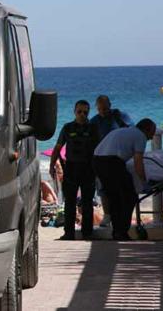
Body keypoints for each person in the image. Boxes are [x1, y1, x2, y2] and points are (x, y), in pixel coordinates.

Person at [93, 118, 156, 241]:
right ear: (146, 130)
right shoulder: (140, 136)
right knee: (130, 196)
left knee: (115, 198)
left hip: (97, 161)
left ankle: (118, 232)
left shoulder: (124, 131)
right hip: (111, 161)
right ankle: (121, 231)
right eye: (152, 133)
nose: (152, 137)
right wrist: (144, 183)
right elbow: (138, 163)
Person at [50, 100, 99, 240]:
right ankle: (69, 233)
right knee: (70, 202)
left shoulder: (93, 128)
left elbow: (99, 148)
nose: (82, 114)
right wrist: (52, 165)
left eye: (85, 112)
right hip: (71, 168)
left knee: (88, 202)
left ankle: (87, 233)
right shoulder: (67, 128)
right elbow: (58, 147)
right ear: (74, 112)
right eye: (79, 111)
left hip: (88, 168)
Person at [89, 95, 134, 227]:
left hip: (120, 158)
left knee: (120, 188)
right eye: (101, 109)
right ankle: (107, 215)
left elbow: (131, 130)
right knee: (103, 189)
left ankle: (120, 216)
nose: (103, 111)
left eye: (106, 108)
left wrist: (119, 119)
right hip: (101, 159)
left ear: (110, 105)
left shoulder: (120, 116)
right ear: (97, 108)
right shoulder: (94, 122)